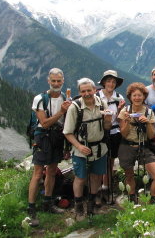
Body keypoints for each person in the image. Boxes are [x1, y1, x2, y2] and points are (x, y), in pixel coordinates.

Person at [27, 68, 72, 227]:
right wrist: (61, 111)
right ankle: (31, 208)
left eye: (59, 81)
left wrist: (67, 146)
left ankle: (48, 202)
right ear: (48, 81)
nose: (56, 84)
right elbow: (44, 122)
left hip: (58, 137)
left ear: (63, 81)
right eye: (53, 81)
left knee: (52, 171)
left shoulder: (66, 99)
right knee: (38, 173)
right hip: (43, 137)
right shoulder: (40, 99)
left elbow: (67, 124)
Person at [63, 78, 112, 220]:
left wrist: (108, 119)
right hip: (80, 149)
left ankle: (91, 204)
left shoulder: (102, 103)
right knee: (80, 177)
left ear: (95, 90)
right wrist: (79, 146)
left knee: (96, 176)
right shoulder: (75, 107)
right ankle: (78, 207)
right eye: (83, 91)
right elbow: (67, 132)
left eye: (89, 90)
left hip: (99, 148)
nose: (86, 94)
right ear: (79, 92)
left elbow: (107, 127)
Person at [118, 82, 155, 204]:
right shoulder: (125, 111)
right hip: (127, 146)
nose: (137, 98)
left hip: (144, 146)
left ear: (144, 97)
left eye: (140, 95)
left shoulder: (148, 112)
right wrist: (127, 122)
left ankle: (153, 201)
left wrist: (147, 123)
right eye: (134, 95)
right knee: (129, 175)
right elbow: (123, 134)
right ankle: (132, 198)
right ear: (130, 97)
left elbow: (151, 135)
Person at [96, 70, 126, 204]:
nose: (111, 84)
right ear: (103, 82)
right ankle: (96, 190)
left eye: (113, 82)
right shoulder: (96, 96)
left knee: (110, 161)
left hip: (114, 132)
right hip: (98, 133)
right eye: (108, 81)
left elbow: (121, 118)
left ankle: (106, 188)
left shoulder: (119, 98)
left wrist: (121, 110)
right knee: (98, 161)